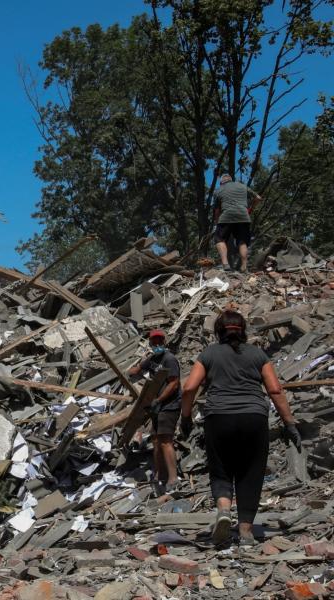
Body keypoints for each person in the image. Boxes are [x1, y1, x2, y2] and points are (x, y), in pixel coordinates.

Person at [180, 310, 301, 546]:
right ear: (243, 330)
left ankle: (224, 511)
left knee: (221, 469)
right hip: (253, 418)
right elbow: (275, 390)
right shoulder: (258, 355)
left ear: (218, 331)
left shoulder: (209, 353)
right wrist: (289, 423)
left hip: (219, 418)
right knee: (251, 472)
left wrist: (185, 418)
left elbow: (189, 388)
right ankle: (245, 531)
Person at [127, 329, 181, 489]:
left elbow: (174, 383)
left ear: (164, 342)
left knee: (165, 440)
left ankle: (173, 478)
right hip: (157, 407)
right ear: (150, 343)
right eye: (154, 342)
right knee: (157, 441)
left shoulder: (169, 359)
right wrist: (129, 371)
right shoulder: (152, 359)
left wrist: (159, 400)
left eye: (159, 341)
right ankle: (159, 474)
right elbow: (136, 371)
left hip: (169, 405)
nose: (157, 344)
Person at [213, 174, 261, 273]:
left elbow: (217, 210)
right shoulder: (242, 186)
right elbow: (258, 197)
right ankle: (244, 267)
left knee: (219, 238)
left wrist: (217, 221)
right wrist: (251, 208)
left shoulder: (219, 190)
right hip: (243, 216)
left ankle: (225, 264)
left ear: (222, 182)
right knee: (242, 241)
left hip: (226, 217)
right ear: (231, 180)